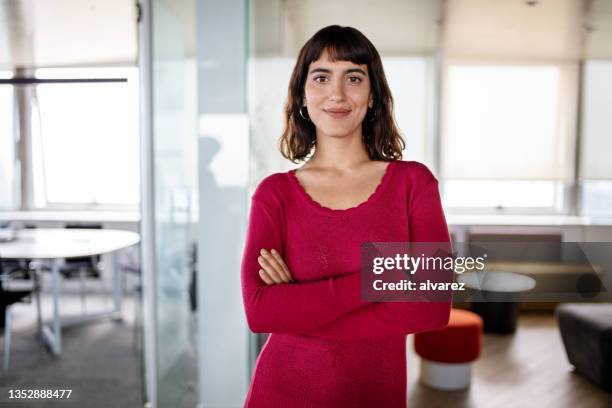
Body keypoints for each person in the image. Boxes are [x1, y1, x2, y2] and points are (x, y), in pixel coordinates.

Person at [241, 25, 452, 408]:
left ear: (372, 96)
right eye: (321, 77)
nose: (336, 93)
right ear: (303, 95)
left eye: (353, 78)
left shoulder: (413, 183)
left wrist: (299, 306)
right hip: (282, 391)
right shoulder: (275, 194)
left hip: (375, 394)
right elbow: (260, 311)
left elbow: (433, 307)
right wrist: (387, 277)